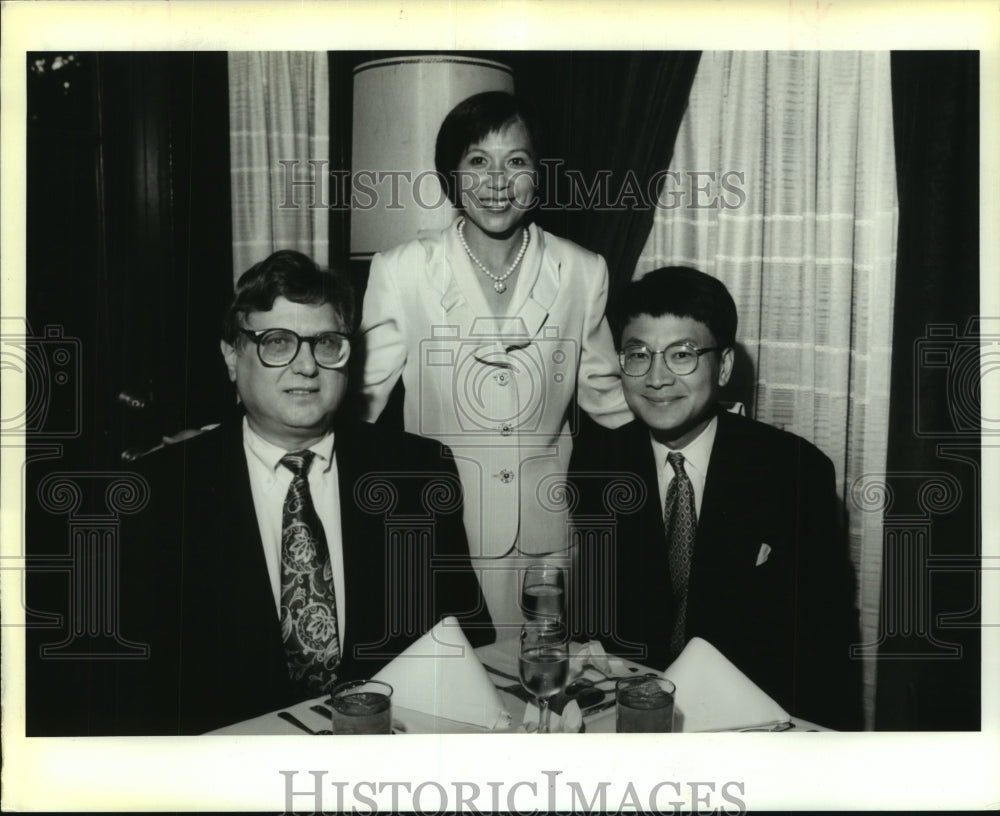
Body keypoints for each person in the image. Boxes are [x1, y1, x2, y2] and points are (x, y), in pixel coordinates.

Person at [26, 250, 493, 735]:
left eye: (327, 343)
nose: (306, 366)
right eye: (277, 342)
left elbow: (463, 642)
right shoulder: (154, 494)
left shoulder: (416, 472)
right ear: (232, 356)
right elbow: (117, 689)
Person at [358, 91, 632, 634]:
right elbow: (359, 401)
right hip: (437, 529)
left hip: (545, 541)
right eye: (477, 162)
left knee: (540, 695)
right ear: (451, 176)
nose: (497, 182)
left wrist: (702, 428)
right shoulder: (401, 271)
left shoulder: (582, 271)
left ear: (539, 173)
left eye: (517, 162)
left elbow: (610, 400)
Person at [568, 266, 862, 730]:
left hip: (752, 725)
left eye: (682, 355)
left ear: (723, 366)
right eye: (638, 354)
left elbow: (826, 642)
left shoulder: (794, 471)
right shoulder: (597, 463)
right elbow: (592, 622)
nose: (657, 378)